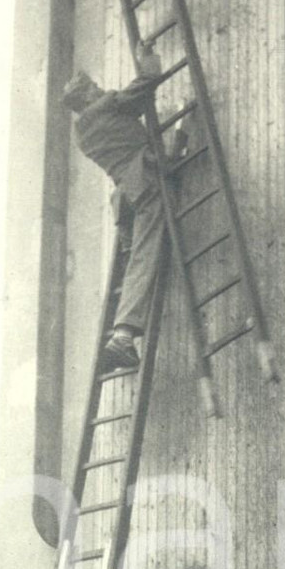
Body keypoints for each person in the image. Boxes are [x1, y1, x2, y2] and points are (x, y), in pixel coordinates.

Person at [62, 43, 184, 373]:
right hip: (145, 182)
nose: (99, 88)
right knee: (145, 257)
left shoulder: (82, 135)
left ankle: (121, 333)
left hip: (125, 198)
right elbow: (146, 83)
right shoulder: (106, 106)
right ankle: (124, 335)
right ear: (87, 96)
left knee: (136, 259)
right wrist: (148, 58)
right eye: (92, 87)